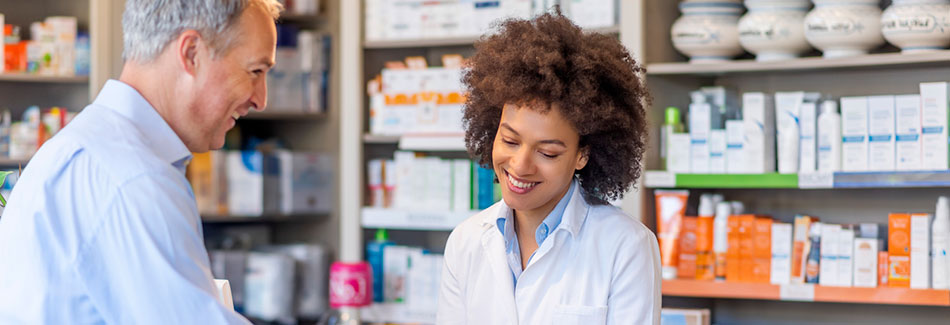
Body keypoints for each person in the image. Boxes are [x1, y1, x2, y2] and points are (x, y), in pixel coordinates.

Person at [0, 0, 281, 323]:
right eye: (255, 72)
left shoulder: (71, 149)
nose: (261, 99)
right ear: (191, 53)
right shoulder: (135, 179)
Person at [436, 10, 661, 324]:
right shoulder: (466, 241)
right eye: (510, 141)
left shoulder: (627, 246)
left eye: (548, 153)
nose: (520, 165)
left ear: (582, 155)